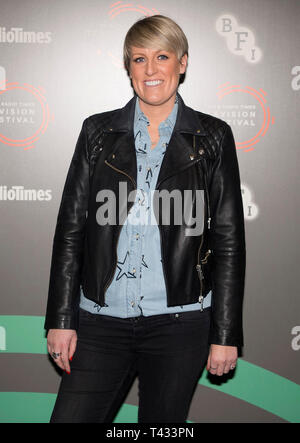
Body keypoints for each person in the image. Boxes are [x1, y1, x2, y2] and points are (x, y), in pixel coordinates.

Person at [44, 15, 246, 423]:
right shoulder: (97, 132)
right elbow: (71, 232)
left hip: (180, 323)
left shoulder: (212, 137)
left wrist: (225, 335)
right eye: (139, 59)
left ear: (182, 63)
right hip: (100, 321)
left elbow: (228, 242)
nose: (151, 70)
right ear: (129, 68)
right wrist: (62, 319)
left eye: (162, 57)